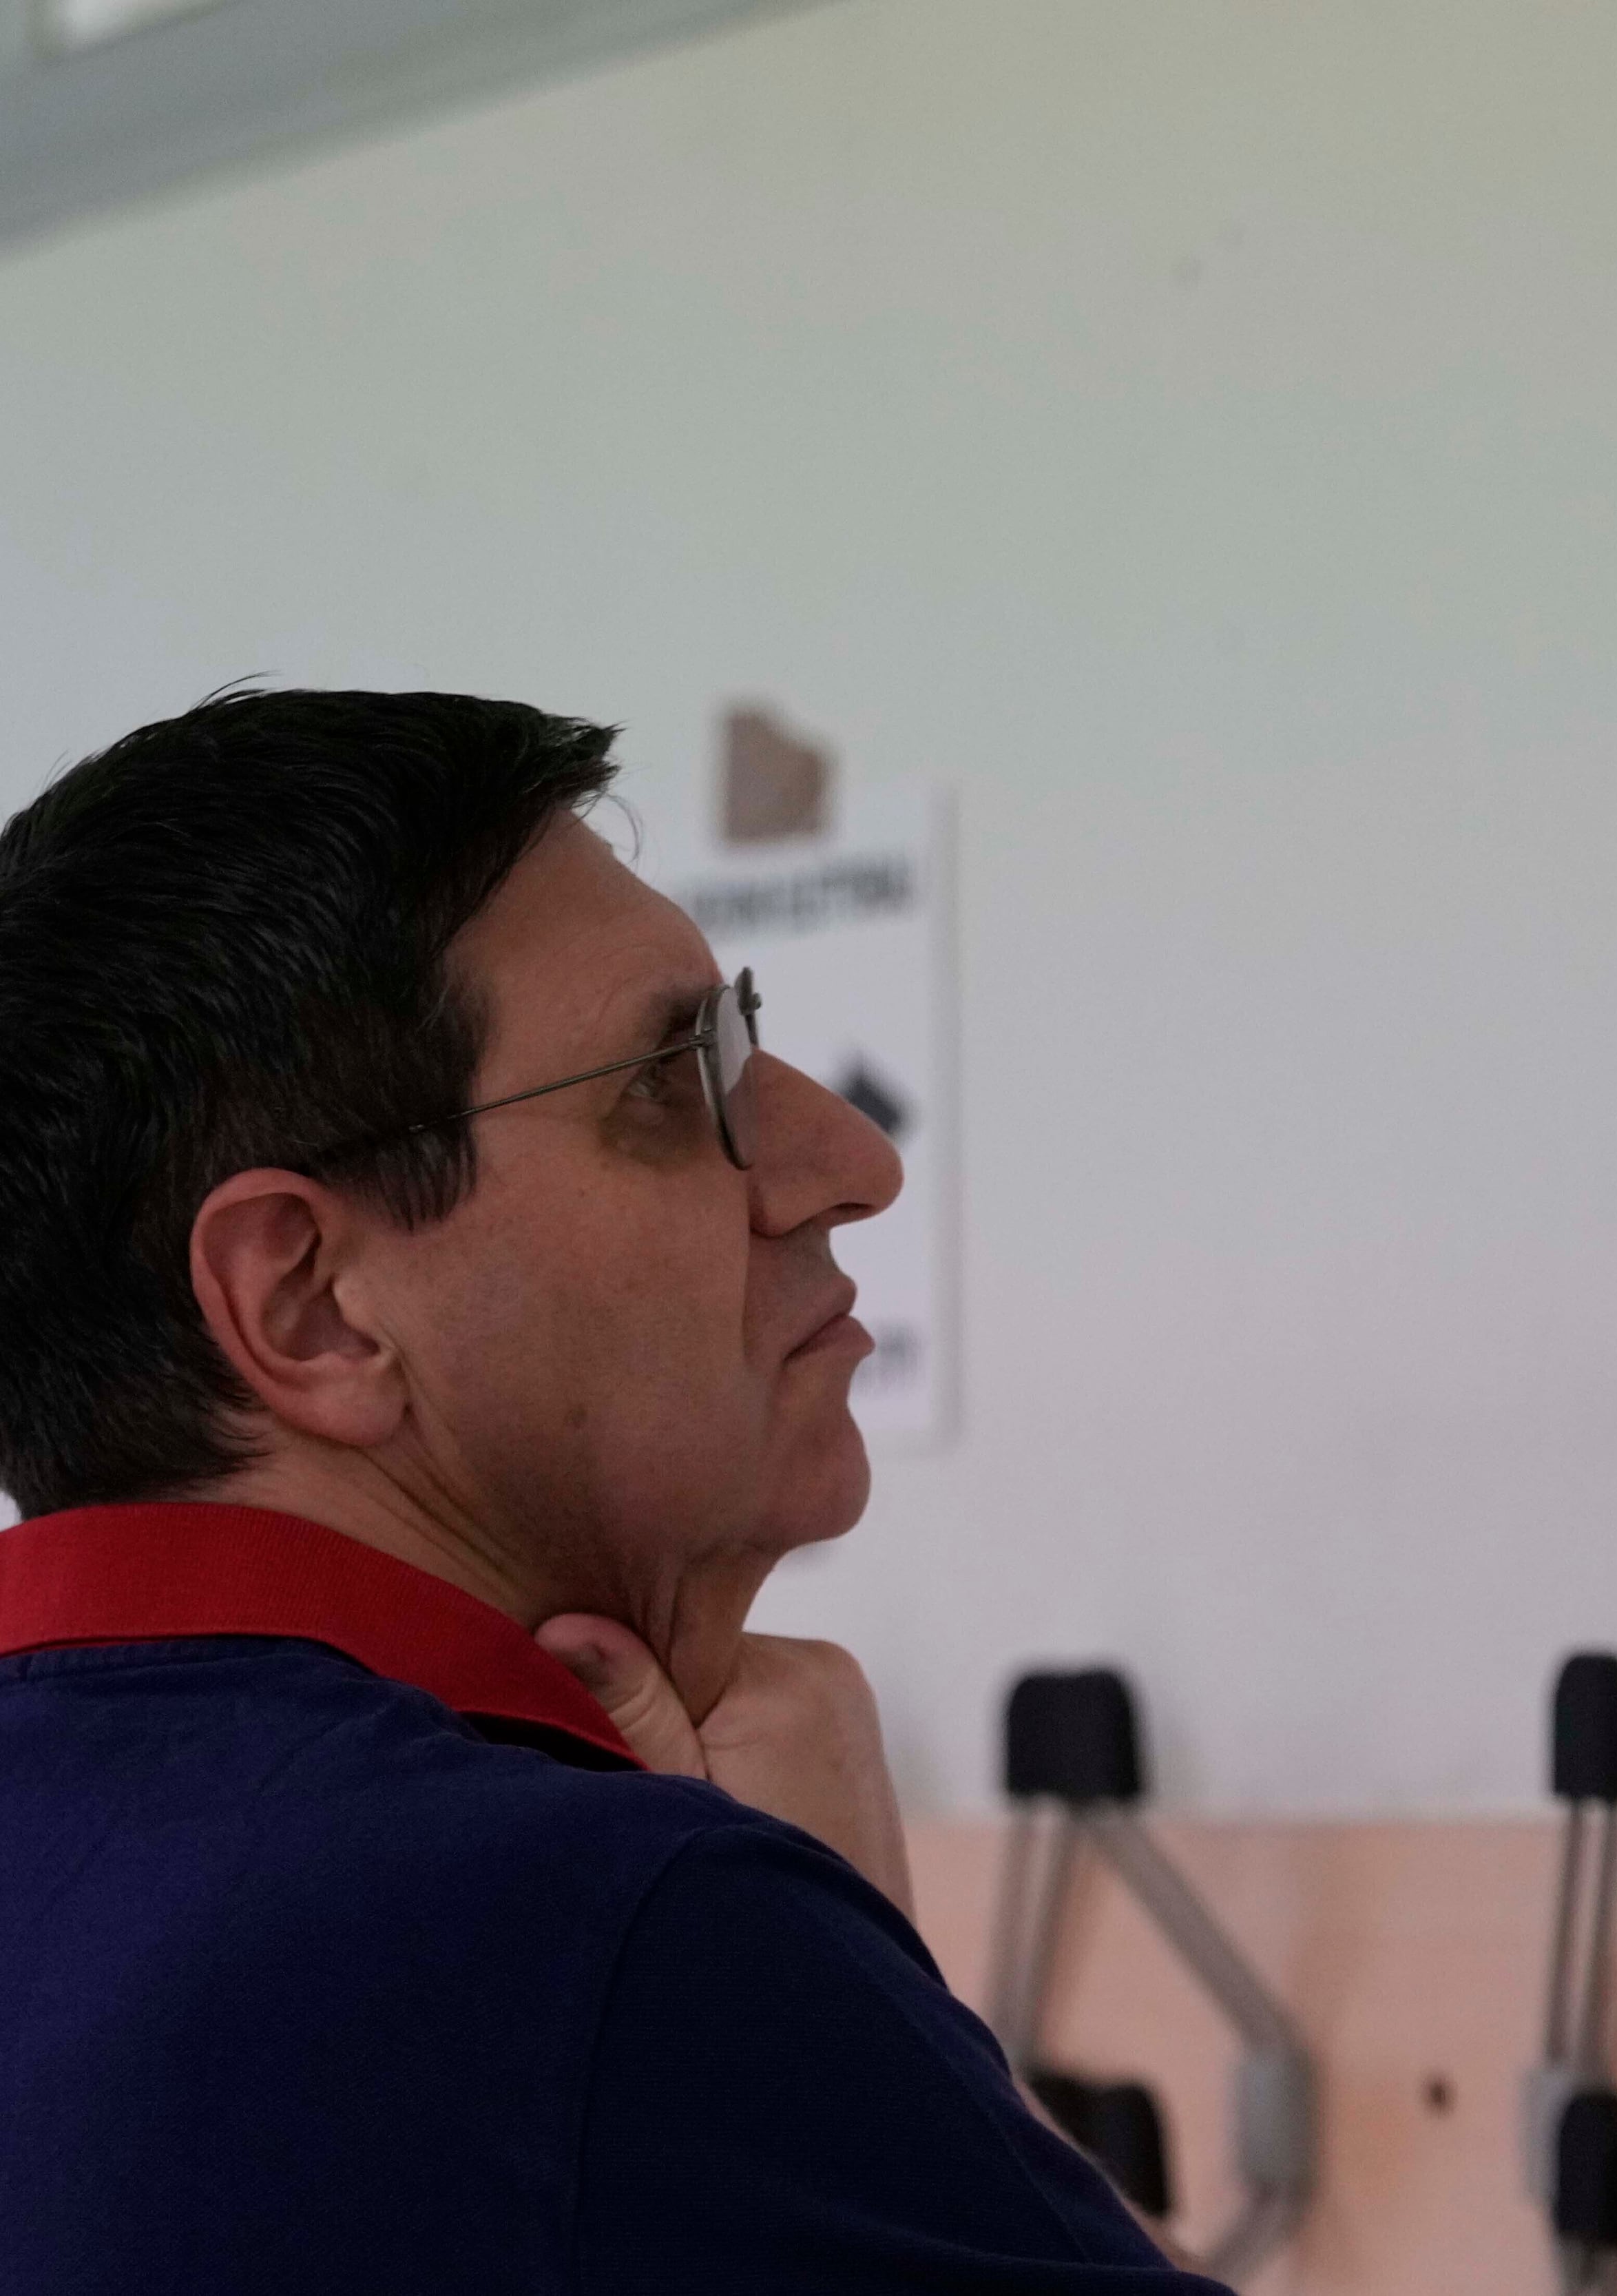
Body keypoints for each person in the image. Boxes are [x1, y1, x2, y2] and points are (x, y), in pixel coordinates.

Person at [0, 691, 1225, 2293]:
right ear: (309, 1300)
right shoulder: (603, 1929)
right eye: (671, 1078)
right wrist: (850, 1958)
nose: (848, 1157)